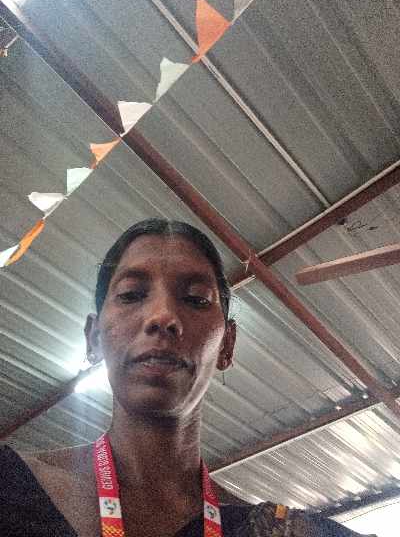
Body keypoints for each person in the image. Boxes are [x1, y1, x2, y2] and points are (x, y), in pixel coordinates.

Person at [0, 218, 372, 536]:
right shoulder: (9, 487)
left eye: (195, 299)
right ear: (94, 339)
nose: (162, 317)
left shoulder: (275, 530)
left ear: (227, 345)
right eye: (131, 295)